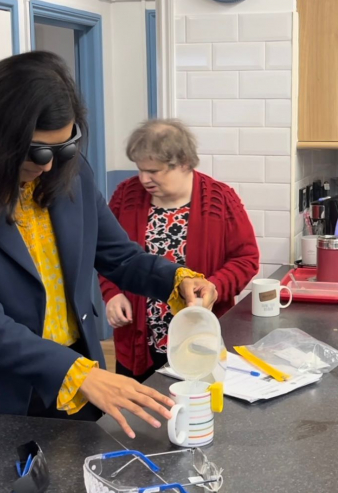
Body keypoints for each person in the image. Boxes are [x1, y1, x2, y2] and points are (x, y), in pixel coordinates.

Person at [0, 51, 217, 439]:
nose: (50, 165)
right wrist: (80, 374)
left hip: (74, 386)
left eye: (64, 148)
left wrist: (175, 280)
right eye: (37, 151)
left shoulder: (73, 173)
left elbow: (118, 257)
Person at [100, 119, 259, 382]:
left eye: (153, 171)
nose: (143, 179)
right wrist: (112, 293)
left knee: (199, 412)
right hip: (139, 340)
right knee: (140, 414)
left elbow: (246, 258)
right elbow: (107, 253)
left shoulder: (220, 199)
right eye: (140, 170)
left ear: (184, 163)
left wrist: (214, 287)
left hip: (200, 338)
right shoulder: (125, 195)